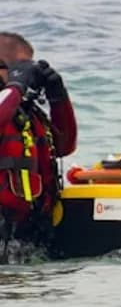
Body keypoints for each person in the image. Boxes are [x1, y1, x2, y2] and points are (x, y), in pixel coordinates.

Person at [0, 32, 78, 262]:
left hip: (25, 233)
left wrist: (58, 96)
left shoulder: (24, 111)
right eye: (17, 67)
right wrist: (15, 87)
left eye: (28, 67)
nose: (26, 74)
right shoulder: (8, 104)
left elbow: (64, 145)